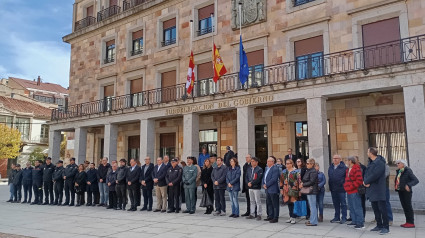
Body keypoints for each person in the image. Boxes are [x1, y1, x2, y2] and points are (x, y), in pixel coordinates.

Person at [364, 147, 390, 235]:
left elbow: (376, 174)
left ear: (371, 153)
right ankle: (379, 225)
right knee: (375, 208)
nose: (367, 153)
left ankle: (386, 227)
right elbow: (367, 173)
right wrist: (365, 181)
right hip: (371, 189)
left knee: (382, 208)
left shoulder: (380, 162)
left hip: (378, 189)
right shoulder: (370, 162)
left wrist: (367, 181)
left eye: (368, 151)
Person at [394, 159, 419, 228]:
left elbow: (415, 180)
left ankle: (411, 222)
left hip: (406, 192)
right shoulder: (399, 171)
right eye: (397, 163)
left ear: (403, 164)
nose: (397, 164)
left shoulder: (408, 170)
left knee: (408, 206)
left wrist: (408, 185)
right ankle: (407, 221)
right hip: (400, 191)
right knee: (404, 206)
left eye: (398, 163)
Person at [344, 156, 364, 229]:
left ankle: (360, 222)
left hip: (354, 191)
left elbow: (359, 180)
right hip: (349, 191)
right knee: (351, 207)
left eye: (346, 160)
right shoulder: (348, 169)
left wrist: (350, 187)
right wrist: (346, 187)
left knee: (357, 207)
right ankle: (354, 221)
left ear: (350, 161)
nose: (346, 162)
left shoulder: (357, 168)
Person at [328, 154, 347, 224]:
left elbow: (346, 178)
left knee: (343, 204)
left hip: (341, 189)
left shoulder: (344, 167)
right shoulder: (331, 167)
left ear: (340, 159)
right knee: (336, 204)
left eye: (336, 158)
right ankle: (337, 217)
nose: (335, 159)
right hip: (333, 188)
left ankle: (344, 217)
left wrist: (343, 184)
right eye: (334, 158)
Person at [301, 158, 319, 226]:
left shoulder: (313, 171)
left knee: (313, 206)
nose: (306, 165)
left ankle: (314, 221)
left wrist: (303, 184)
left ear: (312, 164)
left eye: (308, 163)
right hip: (309, 190)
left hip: (312, 190)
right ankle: (312, 220)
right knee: (311, 206)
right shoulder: (309, 170)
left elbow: (312, 181)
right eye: (306, 163)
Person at [246, 156, 263, 221]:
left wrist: (252, 183)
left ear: (256, 162)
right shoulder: (249, 169)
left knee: (258, 201)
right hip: (250, 187)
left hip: (256, 187)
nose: (252, 163)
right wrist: (248, 183)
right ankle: (252, 214)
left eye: (253, 161)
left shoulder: (259, 169)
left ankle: (259, 214)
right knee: (252, 201)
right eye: (251, 161)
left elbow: (258, 179)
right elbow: (247, 177)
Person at [263, 156, 280, 223]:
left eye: (268, 161)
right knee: (269, 203)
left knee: (275, 204)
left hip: (273, 189)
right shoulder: (267, 168)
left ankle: (275, 217)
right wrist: (263, 184)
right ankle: (270, 216)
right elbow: (264, 177)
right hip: (267, 189)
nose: (267, 162)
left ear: (272, 162)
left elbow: (274, 179)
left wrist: (266, 185)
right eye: (267, 161)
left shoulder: (275, 168)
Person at [282, 158, 299, 224]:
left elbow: (298, 180)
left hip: (293, 189)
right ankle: (290, 216)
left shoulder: (296, 171)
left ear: (292, 164)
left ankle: (294, 217)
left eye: (288, 163)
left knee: (294, 203)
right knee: (289, 203)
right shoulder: (285, 171)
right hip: (286, 189)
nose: (287, 165)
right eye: (286, 163)